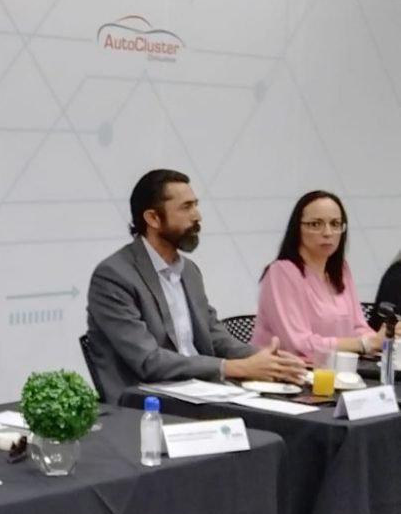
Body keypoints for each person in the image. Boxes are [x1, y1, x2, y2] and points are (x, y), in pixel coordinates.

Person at [86, 169, 305, 403]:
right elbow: (149, 361)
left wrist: (267, 359)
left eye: (196, 205)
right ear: (153, 218)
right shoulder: (114, 276)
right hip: (146, 401)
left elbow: (214, 335)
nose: (197, 216)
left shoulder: (189, 271)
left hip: (203, 392)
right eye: (186, 207)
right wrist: (234, 367)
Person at [253, 190, 384, 361]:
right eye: (316, 224)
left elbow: (358, 328)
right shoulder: (281, 272)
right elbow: (300, 345)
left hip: (336, 370)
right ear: (297, 229)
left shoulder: (341, 270)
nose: (328, 233)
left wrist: (384, 338)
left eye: (335, 224)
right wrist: (365, 343)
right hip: (287, 372)